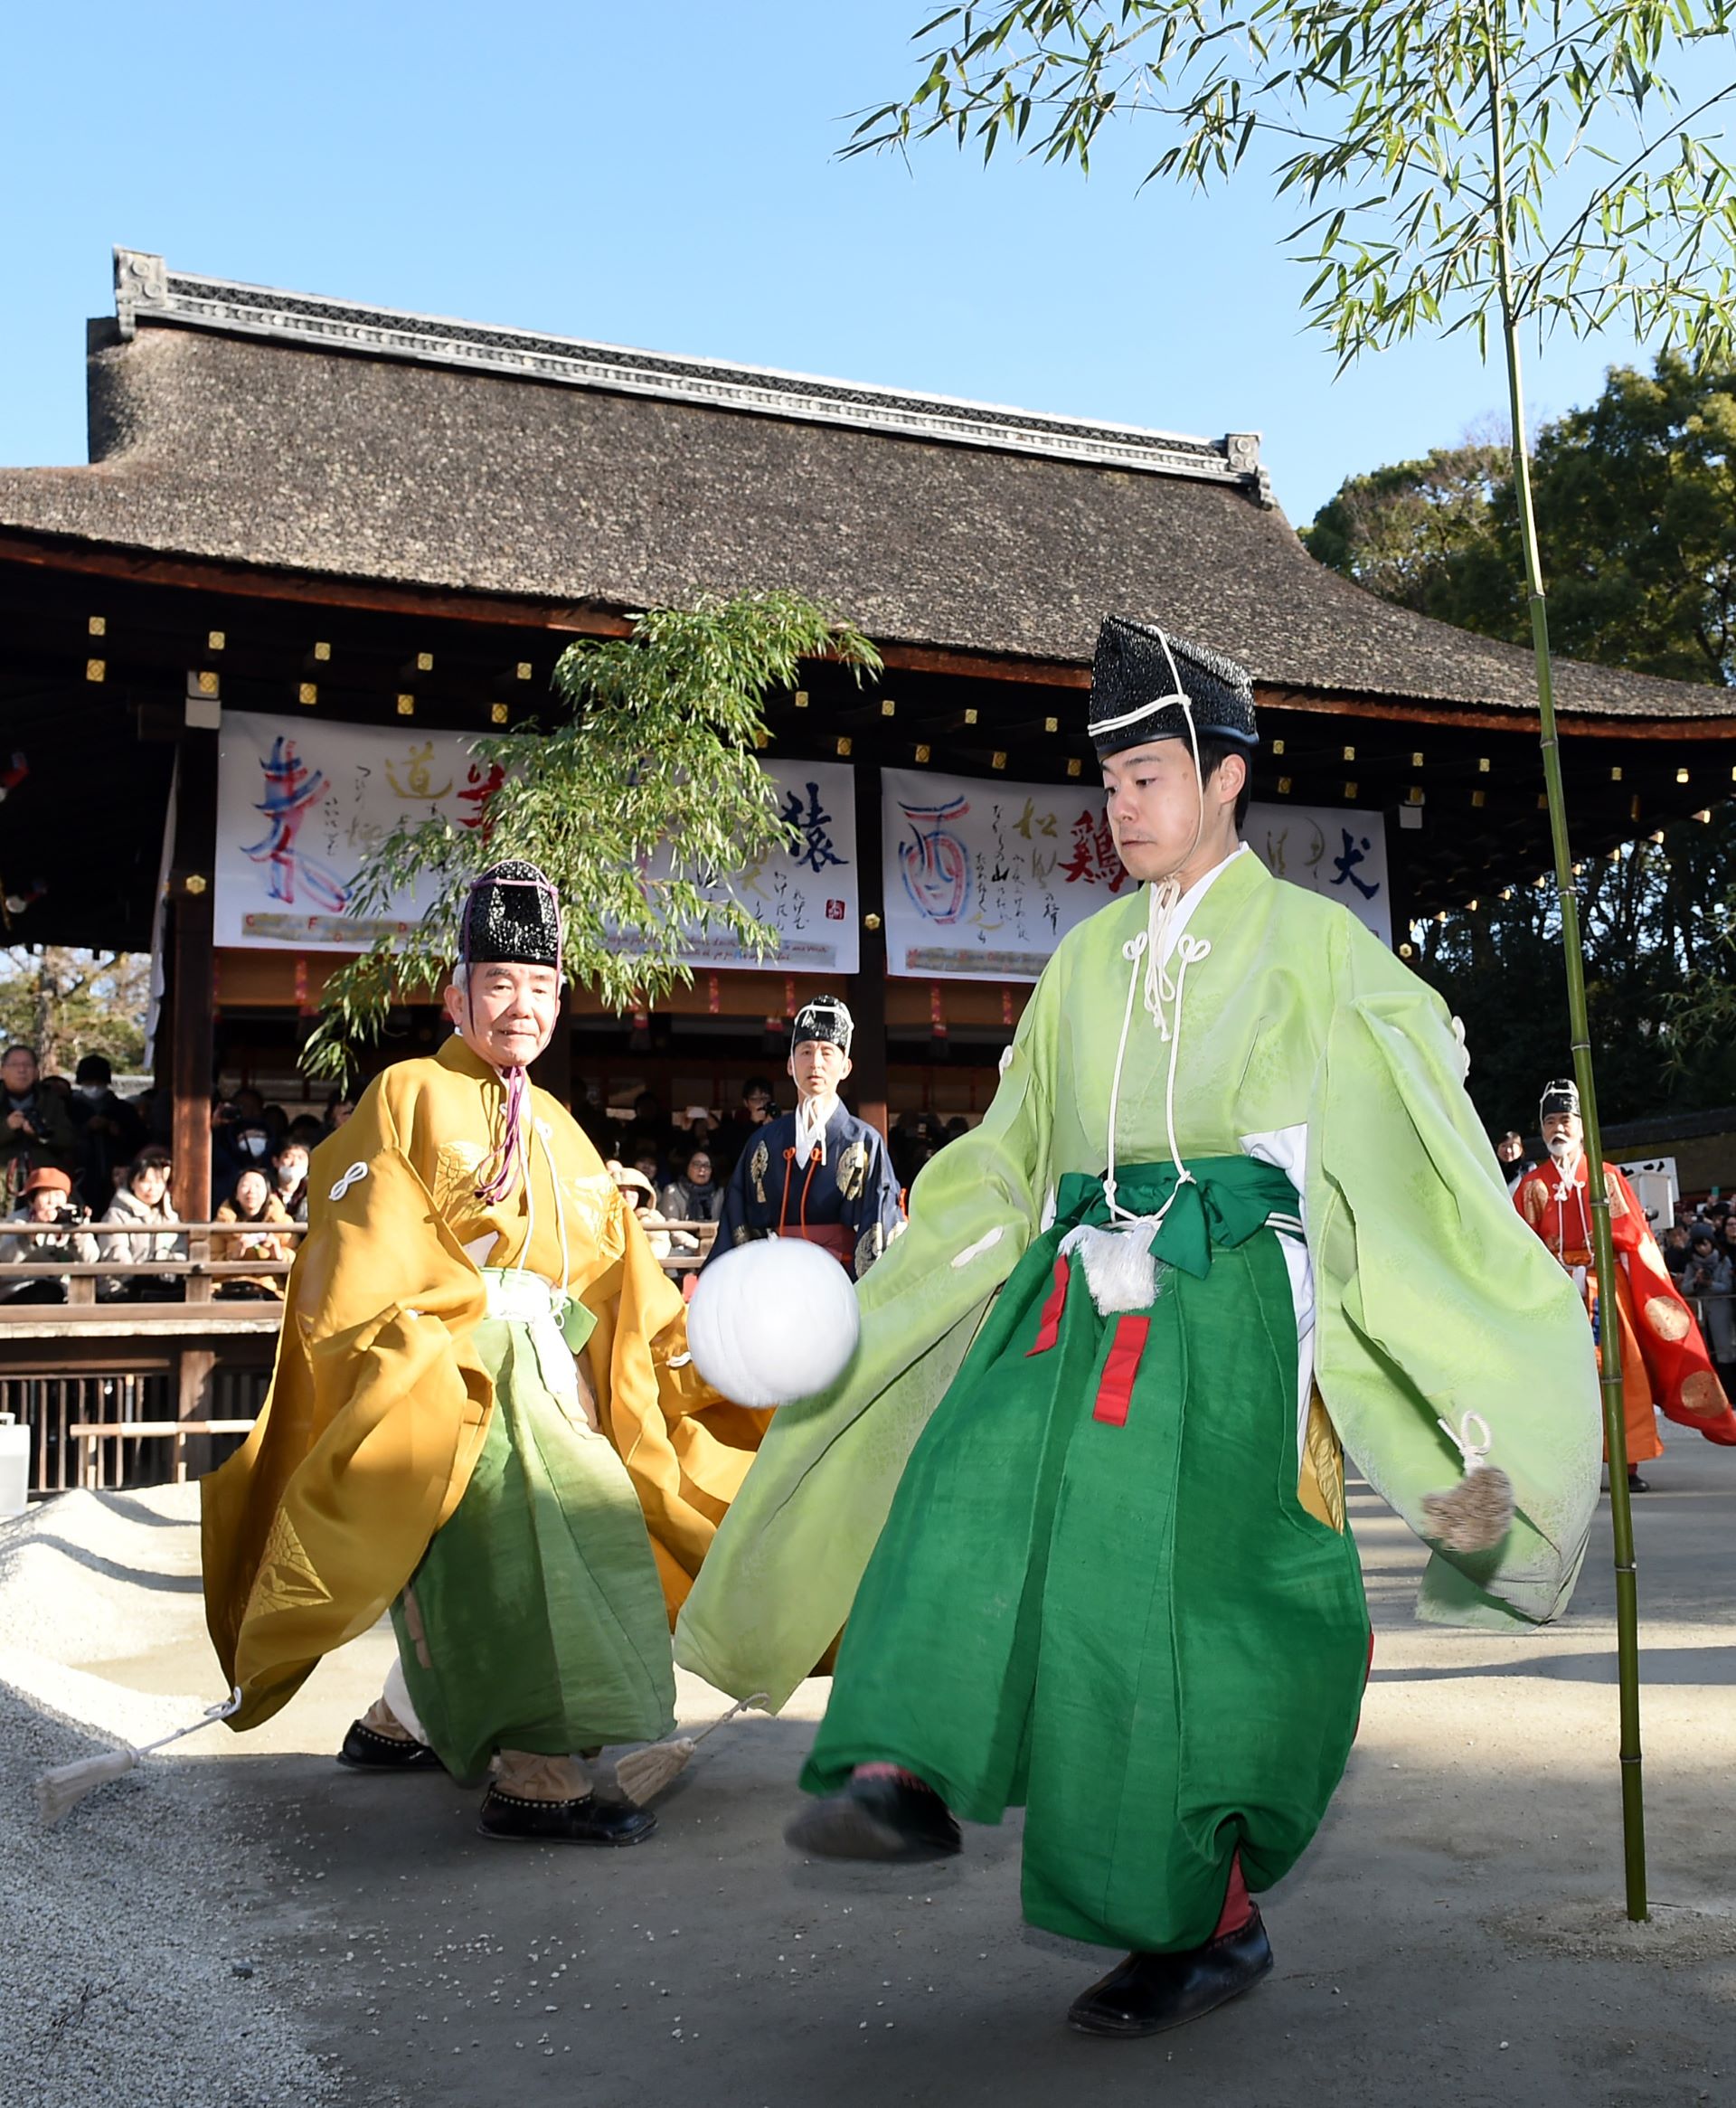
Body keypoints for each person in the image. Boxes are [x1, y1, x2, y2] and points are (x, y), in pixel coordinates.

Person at [677, 616, 1606, 2043]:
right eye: (1108, 784)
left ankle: (1203, 1924)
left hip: (1229, 1308)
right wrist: (900, 1286)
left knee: (1168, 1614)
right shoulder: (1085, 962)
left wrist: (1455, 1397)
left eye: (1151, 776)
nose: (1122, 809)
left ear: (1229, 777)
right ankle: (903, 1763)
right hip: (1071, 1282)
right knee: (967, 1471)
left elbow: (1415, 1169)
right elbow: (1008, 1149)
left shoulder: (1324, 954)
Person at [203, 859, 767, 1847]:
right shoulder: (408, 1093)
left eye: (542, 986)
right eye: (500, 983)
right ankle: (536, 1772)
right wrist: (452, 1313)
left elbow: (617, 1275)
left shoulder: (558, 1126)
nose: (522, 1006)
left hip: (553, 1373)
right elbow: (359, 1242)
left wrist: (692, 1351)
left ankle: (402, 1719)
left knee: (551, 1543)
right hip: (453, 1368)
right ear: (455, 992)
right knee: (531, 1548)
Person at [1514, 1081, 1736, 1491]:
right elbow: (1518, 1244)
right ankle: (1568, 1466)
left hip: (1605, 1288)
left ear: (1581, 1126)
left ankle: (1626, 1462)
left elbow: (1637, 1239)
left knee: (1621, 1372)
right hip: (1555, 1292)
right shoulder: (1533, 1186)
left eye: (1565, 1120)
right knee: (1559, 1380)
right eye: (1549, 1122)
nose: (1557, 1129)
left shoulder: (1606, 1177)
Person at [706, 997, 903, 1281]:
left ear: (846, 1067)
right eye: (806, 1052)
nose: (816, 1063)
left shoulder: (864, 1142)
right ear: (790, 1064)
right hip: (776, 1283)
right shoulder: (764, 1143)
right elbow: (739, 1223)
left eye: (827, 1052)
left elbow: (879, 1232)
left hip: (841, 1286)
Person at [97, 1146, 186, 1300]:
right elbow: (116, 1255)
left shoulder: (170, 1216)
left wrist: (167, 1271)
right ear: (132, 1183)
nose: (152, 1188)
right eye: (145, 1181)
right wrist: (139, 1275)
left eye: (158, 1182)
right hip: (123, 1287)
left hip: (163, 1285)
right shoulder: (116, 1214)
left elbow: (180, 1251)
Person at [0, 1165, 100, 1302]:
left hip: (65, 1290)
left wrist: (78, 1235)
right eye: (46, 1195)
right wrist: (32, 1232)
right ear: (32, 1201)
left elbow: (91, 1258)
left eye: (58, 1195)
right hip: (20, 1288)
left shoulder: (74, 1217)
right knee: (46, 1293)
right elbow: (5, 1259)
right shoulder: (17, 1220)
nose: (53, 1201)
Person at [0, 1045, 82, 1205]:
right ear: (2, 1071)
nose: (22, 1070)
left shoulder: (52, 1101)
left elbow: (70, 1139)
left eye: (27, 1065)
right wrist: (7, 1127)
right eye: (15, 1065)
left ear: (37, 1072)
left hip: (43, 1188)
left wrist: (42, 1134)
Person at [69, 1054, 144, 1205]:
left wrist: (117, 1131)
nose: (95, 1087)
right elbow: (61, 1138)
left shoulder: (123, 1110)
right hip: (79, 1177)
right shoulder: (69, 1109)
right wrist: (85, 1128)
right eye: (90, 1082)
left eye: (99, 1082)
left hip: (117, 1177)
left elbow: (140, 1140)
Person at [212, 1168, 296, 1300]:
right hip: (229, 1288)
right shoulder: (221, 1224)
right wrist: (231, 1256)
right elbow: (208, 1266)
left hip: (269, 1288)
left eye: (258, 1186)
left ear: (268, 1193)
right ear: (236, 1194)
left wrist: (280, 1255)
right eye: (245, 1185)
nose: (252, 1191)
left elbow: (300, 1266)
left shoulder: (283, 1222)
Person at [660, 1144, 722, 1229]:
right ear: (687, 1168)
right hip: (684, 1241)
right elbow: (672, 1227)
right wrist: (696, 1243)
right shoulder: (672, 1191)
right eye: (697, 1164)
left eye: (707, 1165)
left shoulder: (720, 1193)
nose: (702, 1169)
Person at [270, 1139, 311, 1223]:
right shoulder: (266, 1190)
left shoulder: (314, 1191)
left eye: (301, 1158)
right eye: (288, 1157)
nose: (295, 1163)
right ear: (275, 1161)